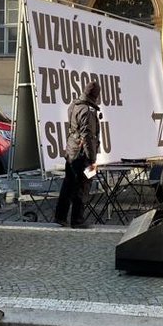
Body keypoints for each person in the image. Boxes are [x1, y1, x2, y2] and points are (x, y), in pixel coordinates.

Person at [54, 80, 102, 229]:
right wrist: (92, 159)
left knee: (68, 184)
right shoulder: (88, 111)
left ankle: (60, 217)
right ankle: (77, 219)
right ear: (95, 95)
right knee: (82, 186)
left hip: (71, 151)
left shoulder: (74, 105)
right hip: (83, 155)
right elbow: (88, 136)